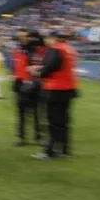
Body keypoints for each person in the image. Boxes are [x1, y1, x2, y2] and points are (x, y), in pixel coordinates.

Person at [29, 30, 78, 160]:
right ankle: (64, 149)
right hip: (69, 88)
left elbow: (51, 67)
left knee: (53, 121)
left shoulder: (55, 49)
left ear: (52, 38)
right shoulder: (69, 49)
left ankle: (50, 150)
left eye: (46, 38)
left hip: (55, 89)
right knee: (63, 121)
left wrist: (36, 72)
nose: (45, 41)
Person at [11, 30, 45, 147]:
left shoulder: (35, 50)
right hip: (20, 85)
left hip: (33, 84)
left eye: (25, 36)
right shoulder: (17, 51)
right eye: (20, 36)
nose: (22, 38)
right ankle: (21, 137)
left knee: (37, 113)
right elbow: (14, 67)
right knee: (21, 114)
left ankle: (38, 137)